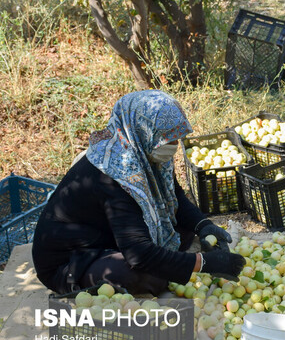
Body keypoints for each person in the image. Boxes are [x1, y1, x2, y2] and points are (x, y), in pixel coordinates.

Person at [32, 90, 245, 295]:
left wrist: (203, 225)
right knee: (149, 276)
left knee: (182, 234)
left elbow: (174, 197)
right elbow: (139, 255)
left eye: (175, 139)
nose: (173, 146)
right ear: (143, 131)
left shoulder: (144, 151)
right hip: (71, 261)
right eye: (167, 139)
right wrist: (203, 263)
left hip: (110, 233)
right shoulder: (115, 174)